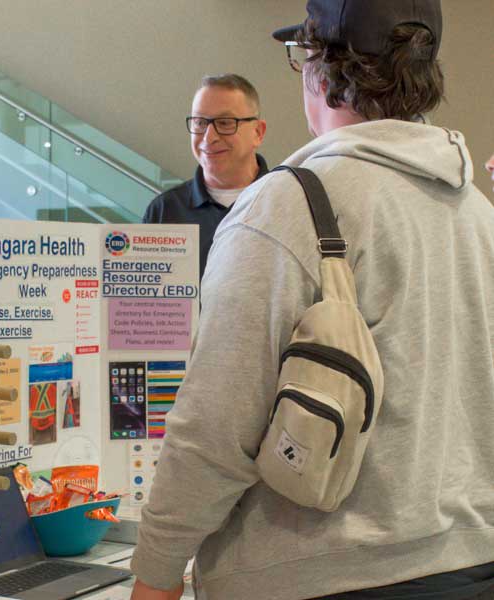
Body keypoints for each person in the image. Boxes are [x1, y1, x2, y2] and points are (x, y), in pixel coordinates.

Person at [130, 1, 494, 599]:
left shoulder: (291, 206)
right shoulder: (475, 212)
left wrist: (158, 572)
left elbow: (216, 428)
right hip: (470, 563)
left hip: (322, 575)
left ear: (320, 69)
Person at [142, 74, 268, 280]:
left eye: (226, 123)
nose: (209, 137)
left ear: (258, 132)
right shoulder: (164, 212)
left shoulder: (284, 204)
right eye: (200, 123)